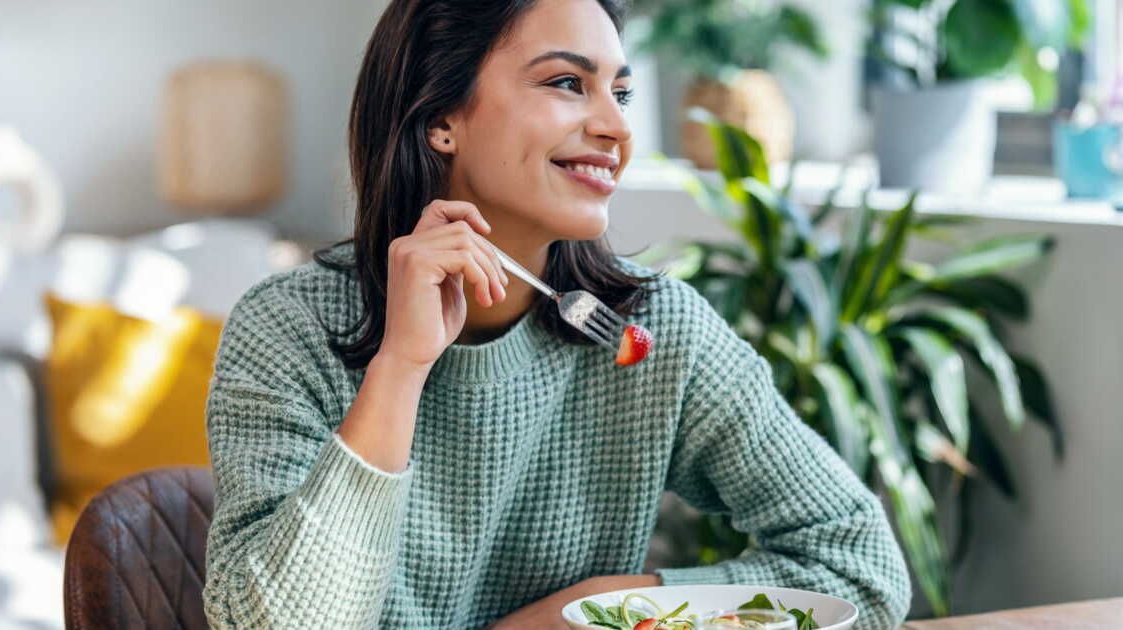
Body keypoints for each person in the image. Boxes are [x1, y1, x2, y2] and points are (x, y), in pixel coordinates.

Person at [201, 0, 911, 628]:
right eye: (568, 83)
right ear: (441, 116)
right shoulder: (287, 329)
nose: (614, 128)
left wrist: (598, 609)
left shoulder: (652, 330)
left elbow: (861, 565)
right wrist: (401, 366)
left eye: (621, 93)